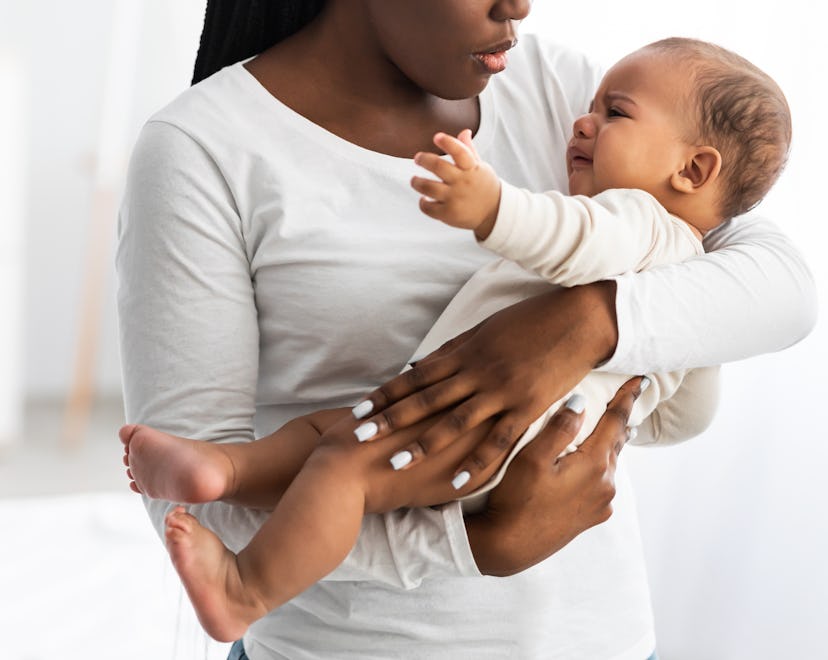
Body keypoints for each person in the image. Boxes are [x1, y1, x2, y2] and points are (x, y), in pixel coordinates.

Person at [116, 2, 816, 659]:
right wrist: (474, 543)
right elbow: (193, 520)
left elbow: (779, 288)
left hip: (600, 638)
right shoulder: (202, 149)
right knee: (325, 449)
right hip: (351, 645)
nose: (519, 6)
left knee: (342, 457)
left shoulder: (562, 90)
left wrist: (587, 324)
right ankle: (239, 495)